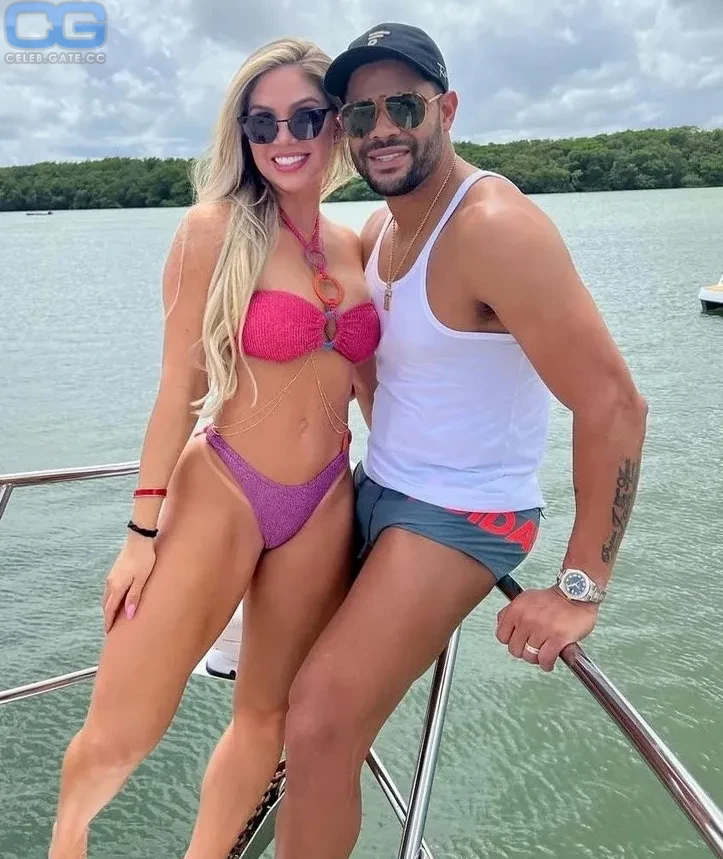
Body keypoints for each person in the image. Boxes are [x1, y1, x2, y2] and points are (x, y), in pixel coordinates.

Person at [272, 23, 648, 859]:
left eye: (402, 106)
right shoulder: (380, 231)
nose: (380, 128)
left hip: (465, 511)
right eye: (359, 113)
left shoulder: (492, 228)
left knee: (321, 719)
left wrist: (580, 587)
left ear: (444, 110)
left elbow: (614, 404)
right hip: (381, 486)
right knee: (275, 694)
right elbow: (373, 368)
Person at [49, 38, 380, 859]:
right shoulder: (213, 231)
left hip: (323, 502)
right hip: (225, 487)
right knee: (120, 731)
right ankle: (68, 842)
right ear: (242, 134)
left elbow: (378, 390)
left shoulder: (357, 246)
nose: (283, 137)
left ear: (335, 123)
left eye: (304, 116)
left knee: (266, 717)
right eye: (261, 123)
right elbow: (177, 388)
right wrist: (140, 532)